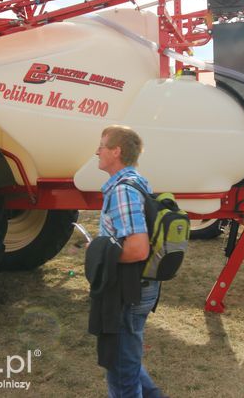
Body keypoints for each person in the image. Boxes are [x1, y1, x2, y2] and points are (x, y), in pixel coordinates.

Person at [91, 124, 164, 398]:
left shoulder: (123, 190)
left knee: (121, 366)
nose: (96, 151)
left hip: (127, 290)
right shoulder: (137, 181)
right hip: (137, 286)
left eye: (102, 146)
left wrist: (97, 251)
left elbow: (137, 249)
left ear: (116, 151)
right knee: (126, 356)